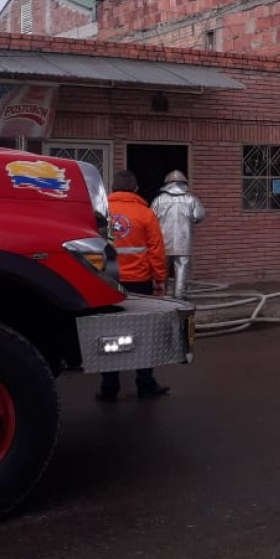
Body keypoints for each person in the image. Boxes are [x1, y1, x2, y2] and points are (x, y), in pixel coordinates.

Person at [99, 169, 170, 402]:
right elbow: (156, 251)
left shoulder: (101, 212)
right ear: (136, 189)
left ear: (112, 188)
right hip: (139, 282)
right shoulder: (145, 214)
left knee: (110, 333)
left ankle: (109, 387)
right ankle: (145, 383)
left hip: (107, 281)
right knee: (143, 332)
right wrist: (159, 280)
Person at [151, 169, 205, 299]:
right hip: (184, 241)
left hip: (163, 243)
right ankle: (179, 297)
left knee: (161, 271)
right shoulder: (192, 200)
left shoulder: (158, 200)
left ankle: (161, 298)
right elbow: (198, 216)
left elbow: (150, 219)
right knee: (181, 271)